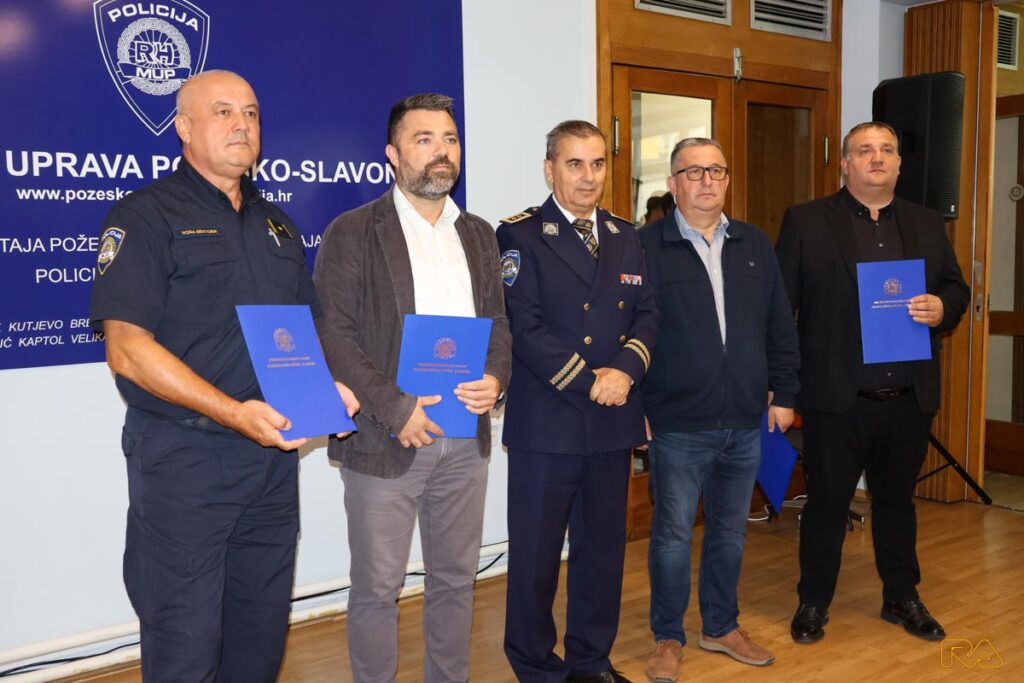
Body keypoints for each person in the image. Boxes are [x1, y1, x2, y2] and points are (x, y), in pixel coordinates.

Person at [89, 70, 358, 681]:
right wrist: (233, 413)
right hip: (186, 463)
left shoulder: (277, 225)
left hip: (271, 463)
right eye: (224, 112)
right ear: (184, 128)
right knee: (184, 646)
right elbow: (127, 350)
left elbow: (306, 331)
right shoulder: (146, 216)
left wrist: (329, 391)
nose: (242, 125)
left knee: (257, 641)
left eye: (252, 113)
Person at [312, 92, 511, 683]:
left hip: (464, 439)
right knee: (377, 588)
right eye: (424, 139)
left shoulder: (478, 234)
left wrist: (496, 378)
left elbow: (498, 323)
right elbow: (334, 336)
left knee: (455, 581)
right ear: (393, 155)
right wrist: (398, 410)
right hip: (385, 439)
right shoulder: (353, 231)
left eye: (450, 139)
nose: (441, 151)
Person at [775, 121, 970, 645]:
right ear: (845, 164)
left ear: (900, 163)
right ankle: (813, 601)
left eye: (887, 150)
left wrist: (942, 307)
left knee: (897, 504)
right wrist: (781, 387)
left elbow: (956, 288)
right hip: (836, 399)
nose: (877, 158)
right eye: (864, 150)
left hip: (908, 398)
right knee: (826, 506)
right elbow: (780, 309)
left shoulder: (926, 222)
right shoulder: (807, 221)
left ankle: (902, 597)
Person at [497, 120, 658, 683]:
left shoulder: (625, 234)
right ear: (550, 170)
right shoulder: (519, 235)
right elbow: (524, 327)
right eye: (574, 164)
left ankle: (591, 661)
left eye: (597, 164)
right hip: (549, 422)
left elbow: (648, 314)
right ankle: (535, 666)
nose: (588, 176)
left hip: (612, 421)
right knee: (536, 560)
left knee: (602, 555)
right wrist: (591, 380)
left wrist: (627, 370)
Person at [638, 138, 799, 682]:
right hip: (677, 422)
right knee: (672, 536)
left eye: (717, 171)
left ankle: (721, 626)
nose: (707, 181)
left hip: (746, 420)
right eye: (694, 172)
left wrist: (786, 393)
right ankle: (668, 637)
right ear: (673, 183)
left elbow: (780, 326)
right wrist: (636, 406)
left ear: (727, 180)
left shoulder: (755, 243)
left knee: (730, 532)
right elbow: (626, 333)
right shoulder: (643, 247)